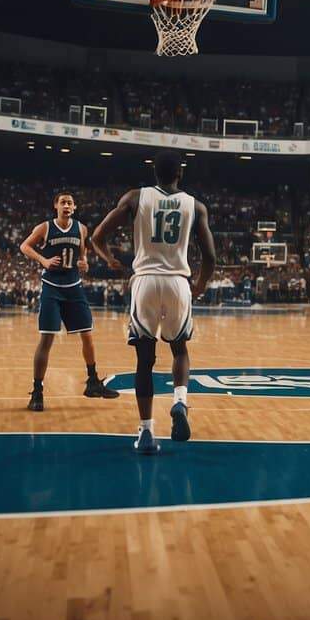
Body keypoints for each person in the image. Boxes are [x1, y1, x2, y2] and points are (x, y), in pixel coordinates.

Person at [91, 151, 216, 454]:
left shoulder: (136, 197)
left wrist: (110, 259)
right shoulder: (195, 205)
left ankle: (146, 432)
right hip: (177, 282)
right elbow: (210, 257)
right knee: (180, 349)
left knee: (144, 362)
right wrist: (198, 285)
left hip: (145, 281)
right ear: (180, 174)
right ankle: (180, 401)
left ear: (154, 172)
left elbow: (96, 237)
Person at [19, 191, 118, 412]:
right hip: (52, 288)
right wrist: (43, 260)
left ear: (74, 207)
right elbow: (24, 246)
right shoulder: (45, 227)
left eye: (70, 203)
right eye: (63, 202)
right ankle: (37, 391)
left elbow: (82, 256)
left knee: (88, 335)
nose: (67, 205)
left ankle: (93, 382)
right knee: (47, 340)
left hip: (73, 287)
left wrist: (85, 264)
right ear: (56, 205)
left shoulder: (81, 228)